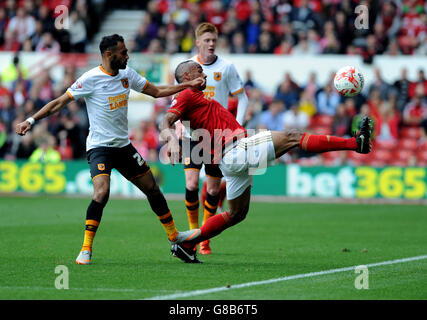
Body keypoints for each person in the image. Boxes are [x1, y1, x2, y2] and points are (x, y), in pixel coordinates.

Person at [15, 34, 205, 265]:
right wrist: (31, 120)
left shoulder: (127, 75)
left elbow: (156, 92)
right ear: (109, 54)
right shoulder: (90, 79)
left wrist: (186, 85)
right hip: (99, 148)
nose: (127, 56)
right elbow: (58, 103)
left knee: (153, 189)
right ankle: (86, 248)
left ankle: (174, 236)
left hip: (123, 147)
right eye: (123, 52)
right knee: (101, 192)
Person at [160, 60, 372, 263]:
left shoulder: (199, 98)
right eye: (199, 69)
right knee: (293, 137)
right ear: (187, 76)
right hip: (235, 151)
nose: (204, 73)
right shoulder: (186, 94)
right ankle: (356, 144)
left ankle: (186, 244)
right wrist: (171, 141)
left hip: (232, 159)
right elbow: (166, 120)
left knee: (236, 214)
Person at [182, 22, 248, 255]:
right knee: (191, 184)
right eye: (207, 40)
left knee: (212, 190)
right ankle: (193, 232)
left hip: (218, 137)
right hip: (192, 134)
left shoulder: (227, 67)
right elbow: (177, 100)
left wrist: (237, 126)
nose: (211, 44)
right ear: (198, 41)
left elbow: (243, 98)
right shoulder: (187, 68)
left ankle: (204, 238)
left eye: (214, 40)